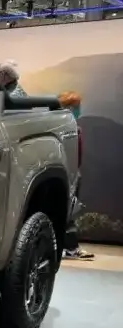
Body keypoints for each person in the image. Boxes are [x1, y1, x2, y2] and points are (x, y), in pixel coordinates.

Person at [57, 90, 95, 261]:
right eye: (76, 106)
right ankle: (70, 248)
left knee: (69, 212)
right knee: (66, 212)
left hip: (72, 174)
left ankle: (70, 247)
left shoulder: (74, 128)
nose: (79, 110)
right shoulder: (63, 129)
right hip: (65, 175)